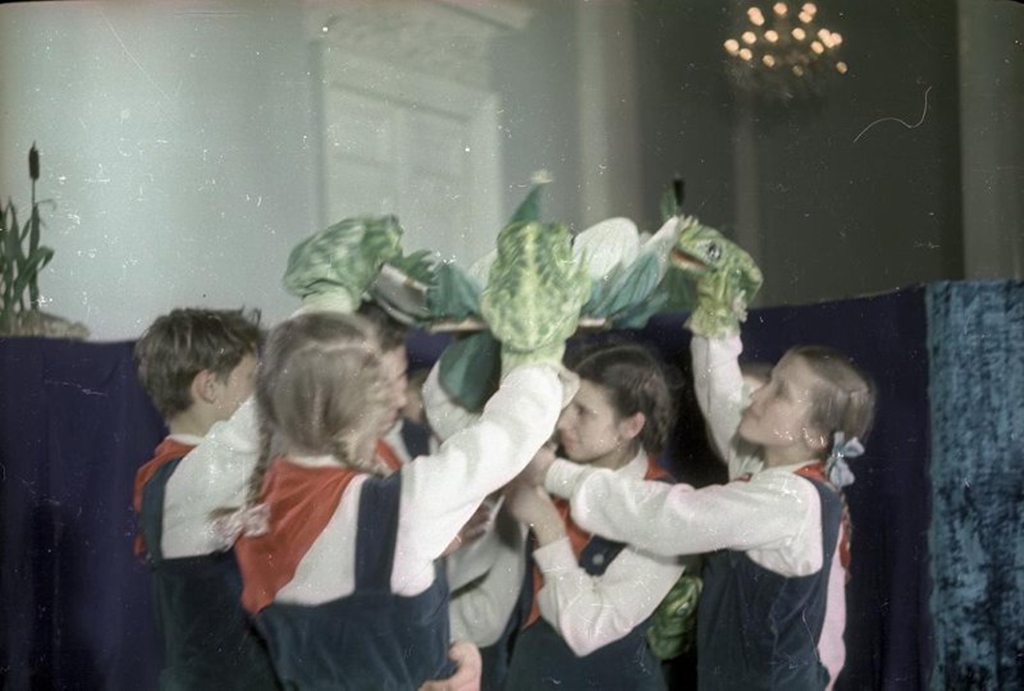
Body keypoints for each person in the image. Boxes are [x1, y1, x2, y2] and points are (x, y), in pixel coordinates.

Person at [221, 311, 570, 688]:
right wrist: (536, 353)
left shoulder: (257, 500)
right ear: (364, 405)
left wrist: (446, 656)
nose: (402, 397)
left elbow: (350, 635)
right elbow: (511, 433)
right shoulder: (398, 506)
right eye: (389, 384)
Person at [532, 335, 875, 690]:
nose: (756, 395)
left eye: (780, 392)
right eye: (770, 380)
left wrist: (553, 473)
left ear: (816, 436)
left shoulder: (791, 499)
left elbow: (670, 519)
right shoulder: (768, 472)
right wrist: (716, 327)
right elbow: (723, 399)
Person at [501, 341, 686, 690]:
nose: (563, 423)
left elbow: (588, 630)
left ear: (631, 426)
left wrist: (547, 525)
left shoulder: (666, 510)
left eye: (583, 412)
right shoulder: (550, 462)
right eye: (566, 407)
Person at [131, 307, 279, 690]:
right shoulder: (185, 481)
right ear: (209, 387)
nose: (259, 391)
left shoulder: (212, 475)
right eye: (252, 379)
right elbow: (254, 424)